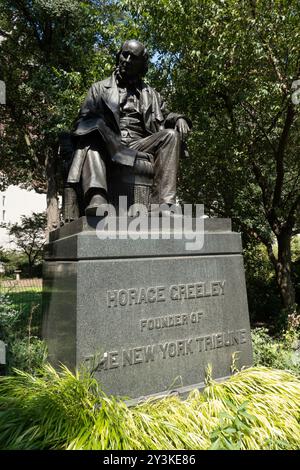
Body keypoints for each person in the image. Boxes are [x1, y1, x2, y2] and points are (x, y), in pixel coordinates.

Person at [67, 39, 191, 215]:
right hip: (109, 141)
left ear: (141, 63)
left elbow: (165, 115)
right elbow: (82, 120)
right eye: (124, 54)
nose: (126, 60)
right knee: (92, 131)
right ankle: (97, 196)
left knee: (171, 135)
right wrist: (100, 128)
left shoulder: (151, 94)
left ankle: (163, 205)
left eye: (133, 57)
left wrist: (179, 118)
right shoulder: (99, 88)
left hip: (140, 143)